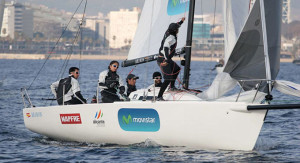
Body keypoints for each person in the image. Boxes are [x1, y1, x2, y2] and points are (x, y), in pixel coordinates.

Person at [156, 17, 185, 101]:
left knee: (177, 68)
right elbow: (165, 48)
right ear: (175, 30)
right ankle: (159, 97)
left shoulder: (168, 31)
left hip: (165, 58)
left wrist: (181, 22)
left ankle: (172, 87)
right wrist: (167, 59)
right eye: (177, 28)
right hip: (163, 60)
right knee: (168, 78)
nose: (178, 29)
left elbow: (176, 25)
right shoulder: (171, 37)